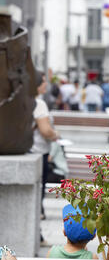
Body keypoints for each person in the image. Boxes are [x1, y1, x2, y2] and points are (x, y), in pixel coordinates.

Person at [30, 70, 59, 220]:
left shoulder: (24, 101)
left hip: (26, 151)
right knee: (37, 191)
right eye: (42, 81)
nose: (46, 83)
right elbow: (45, 130)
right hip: (39, 151)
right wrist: (56, 134)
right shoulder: (39, 103)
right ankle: (37, 233)